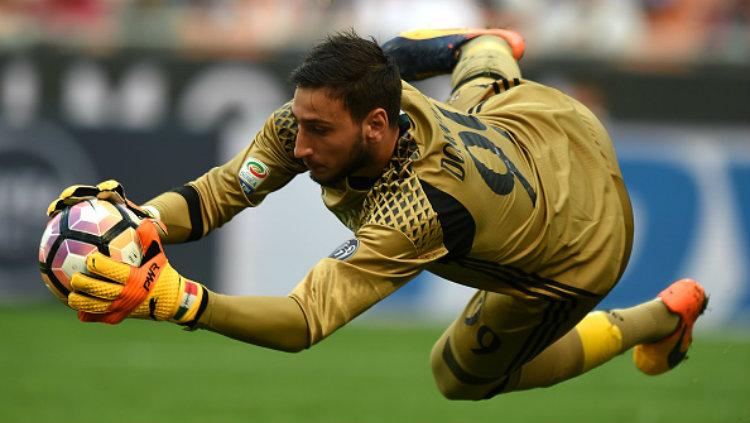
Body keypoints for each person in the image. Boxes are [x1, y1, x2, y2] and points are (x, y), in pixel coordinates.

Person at [47, 28, 707, 399]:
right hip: (541, 121)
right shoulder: (338, 103)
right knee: (477, 62)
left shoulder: (413, 213)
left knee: (458, 375)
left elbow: (304, 320)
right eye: (297, 121)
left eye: (317, 132)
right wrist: (143, 219)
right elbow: (223, 191)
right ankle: (487, 46)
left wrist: (181, 300)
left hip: (584, 237)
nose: (296, 146)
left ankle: (656, 317)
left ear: (375, 126)